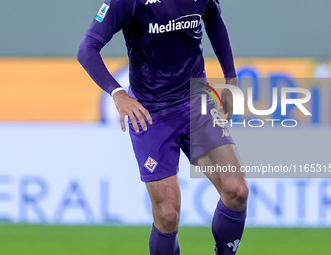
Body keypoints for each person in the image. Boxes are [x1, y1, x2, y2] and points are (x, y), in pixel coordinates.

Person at [77, 0, 248, 254]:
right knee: (168, 215)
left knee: (237, 191)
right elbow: (87, 49)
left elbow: (213, 18)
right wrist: (118, 94)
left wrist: (231, 77)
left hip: (195, 100)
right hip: (150, 113)